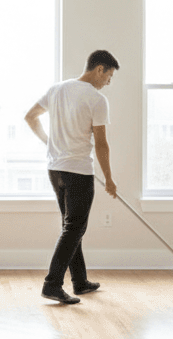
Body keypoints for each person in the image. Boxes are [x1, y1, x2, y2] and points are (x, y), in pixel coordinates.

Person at [25, 49, 119, 304]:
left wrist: (48, 142)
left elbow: (30, 117)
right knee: (74, 228)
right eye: (108, 77)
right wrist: (109, 179)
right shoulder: (97, 100)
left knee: (71, 228)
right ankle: (52, 284)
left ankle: (80, 281)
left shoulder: (56, 89)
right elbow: (101, 144)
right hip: (78, 172)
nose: (108, 83)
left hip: (55, 169)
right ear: (99, 69)